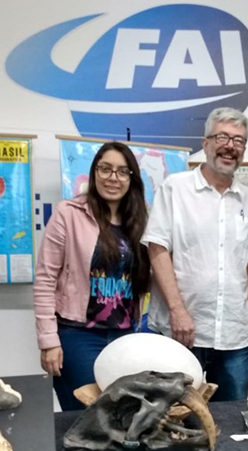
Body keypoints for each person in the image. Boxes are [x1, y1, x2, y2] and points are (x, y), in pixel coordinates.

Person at [142, 107, 248, 401]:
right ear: (206, 143)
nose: (230, 146)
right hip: (181, 332)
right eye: (222, 137)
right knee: (174, 417)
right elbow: (157, 249)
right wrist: (177, 310)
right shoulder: (176, 188)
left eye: (238, 140)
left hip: (234, 338)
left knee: (233, 418)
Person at [34, 142, 150, 411]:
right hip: (78, 336)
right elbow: (45, 280)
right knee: (87, 417)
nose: (113, 177)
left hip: (124, 337)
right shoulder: (69, 213)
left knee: (122, 416)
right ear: (94, 172)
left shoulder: (140, 220)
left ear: (131, 178)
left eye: (122, 171)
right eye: (105, 169)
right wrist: (48, 341)